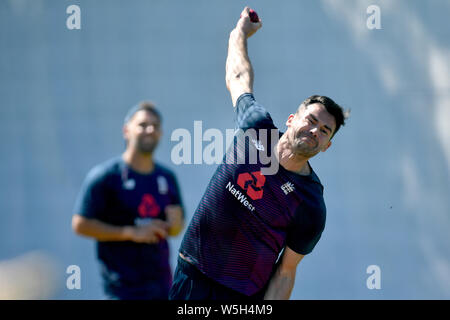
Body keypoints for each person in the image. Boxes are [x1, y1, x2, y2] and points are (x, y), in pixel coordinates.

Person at [169, 7, 347, 300]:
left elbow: (285, 273)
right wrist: (239, 32)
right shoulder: (257, 128)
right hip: (191, 277)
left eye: (325, 131)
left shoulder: (311, 205)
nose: (315, 131)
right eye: (311, 120)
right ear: (292, 119)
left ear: (326, 146)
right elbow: (237, 75)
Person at [72, 101, 184, 300]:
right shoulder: (105, 177)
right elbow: (80, 224)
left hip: (162, 287)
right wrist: (130, 232)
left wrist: (175, 225)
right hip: (122, 289)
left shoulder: (167, 177)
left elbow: (176, 229)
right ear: (126, 130)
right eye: (142, 125)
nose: (150, 129)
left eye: (155, 126)